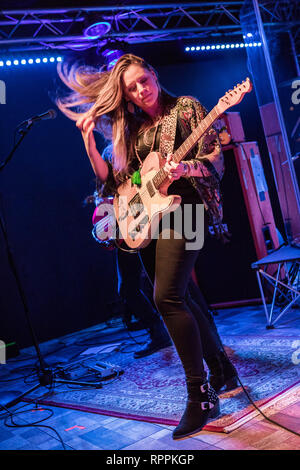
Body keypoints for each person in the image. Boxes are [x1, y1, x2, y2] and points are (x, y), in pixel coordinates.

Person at [56, 53, 236, 439]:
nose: (141, 90)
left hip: (187, 209)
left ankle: (199, 395)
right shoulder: (132, 128)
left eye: (143, 80)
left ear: (154, 73)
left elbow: (215, 164)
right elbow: (113, 181)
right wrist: (89, 140)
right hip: (151, 218)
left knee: (167, 297)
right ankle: (222, 368)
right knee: (181, 296)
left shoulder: (185, 108)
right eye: (131, 88)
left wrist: (184, 168)